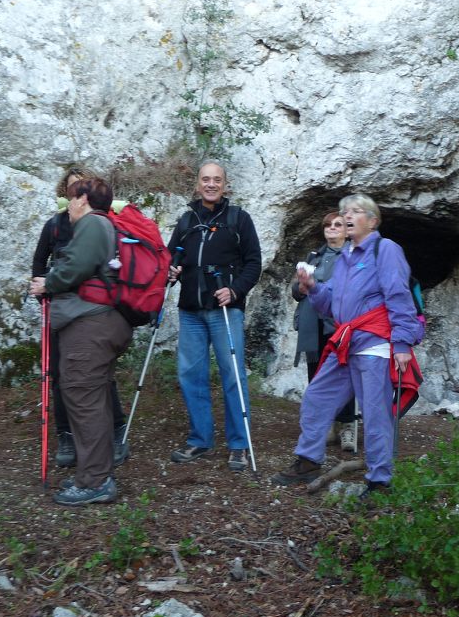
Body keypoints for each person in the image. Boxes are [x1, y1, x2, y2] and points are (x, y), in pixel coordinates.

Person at [272, 194, 424, 496]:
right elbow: (333, 306)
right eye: (345, 211)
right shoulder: (344, 257)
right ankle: (308, 460)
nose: (348, 216)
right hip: (346, 341)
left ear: (372, 220)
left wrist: (403, 343)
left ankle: (380, 478)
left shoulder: (386, 250)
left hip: (375, 343)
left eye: (356, 211)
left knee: (375, 411)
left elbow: (398, 295)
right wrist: (313, 288)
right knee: (317, 395)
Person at [30, 177, 133, 506]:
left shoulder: (91, 224)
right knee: (94, 398)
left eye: (72, 199)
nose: (68, 206)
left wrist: (47, 283)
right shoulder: (109, 227)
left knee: (83, 398)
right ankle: (100, 472)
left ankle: (94, 481)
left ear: (84, 200)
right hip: (105, 323)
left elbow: (76, 267)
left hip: (90, 327)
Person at [166, 161, 262, 472]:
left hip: (225, 310)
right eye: (206, 179)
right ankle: (200, 439)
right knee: (191, 376)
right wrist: (171, 269)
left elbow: (253, 263)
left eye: (216, 180)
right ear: (197, 184)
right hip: (191, 311)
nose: (211, 184)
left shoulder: (239, 219)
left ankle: (239, 445)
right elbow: (171, 258)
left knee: (233, 375)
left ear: (225, 184)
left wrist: (235, 291)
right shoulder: (186, 220)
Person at [291, 212, 359, 452]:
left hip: (339, 325)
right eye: (328, 224)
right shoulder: (314, 257)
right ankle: (326, 425)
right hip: (313, 324)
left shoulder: (353, 256)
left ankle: (348, 426)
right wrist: (301, 286)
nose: (332, 227)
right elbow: (295, 291)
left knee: (342, 376)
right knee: (316, 376)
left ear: (347, 230)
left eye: (337, 224)